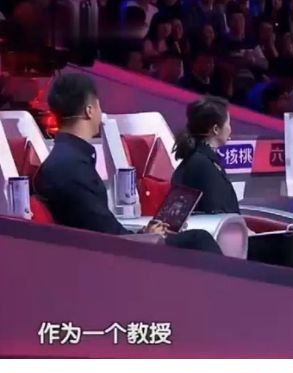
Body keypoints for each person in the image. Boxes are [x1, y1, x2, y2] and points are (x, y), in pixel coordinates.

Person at [34, 73, 222, 254]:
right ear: (89, 111)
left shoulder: (64, 159)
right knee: (199, 239)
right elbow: (106, 234)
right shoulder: (72, 167)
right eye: (98, 106)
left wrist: (144, 234)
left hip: (96, 249)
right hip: (104, 257)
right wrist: (144, 238)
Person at [171, 96, 293, 267]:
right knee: (289, 245)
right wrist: (244, 231)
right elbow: (217, 212)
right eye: (228, 123)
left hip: (229, 234)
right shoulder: (202, 165)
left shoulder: (203, 160)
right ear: (216, 129)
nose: (230, 129)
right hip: (221, 242)